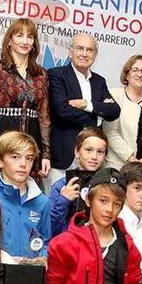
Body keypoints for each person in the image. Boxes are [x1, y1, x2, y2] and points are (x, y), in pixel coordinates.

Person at [0, 18, 51, 185]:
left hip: (30, 154)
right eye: (20, 35)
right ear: (9, 41)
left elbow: (44, 117)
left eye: (30, 37)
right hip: (1, 152)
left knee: (28, 202)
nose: (25, 41)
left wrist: (46, 155)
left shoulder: (41, 74)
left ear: (34, 44)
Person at [46, 33, 120, 189]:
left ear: (95, 54)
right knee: (57, 205)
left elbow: (114, 111)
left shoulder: (99, 81)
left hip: (91, 161)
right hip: (64, 157)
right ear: (70, 51)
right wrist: (96, 118)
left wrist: (87, 105)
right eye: (80, 48)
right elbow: (62, 110)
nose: (85, 54)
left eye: (90, 50)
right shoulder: (56, 75)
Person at [0, 131, 51, 264]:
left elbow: (46, 240)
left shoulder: (42, 201)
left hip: (30, 274)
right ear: (0, 161)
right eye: (15, 157)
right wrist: (4, 259)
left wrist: (42, 257)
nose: (23, 164)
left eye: (29, 158)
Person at [104, 55, 142, 172]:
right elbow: (110, 132)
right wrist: (132, 159)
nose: (140, 74)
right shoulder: (114, 95)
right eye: (135, 70)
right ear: (127, 74)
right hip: (118, 168)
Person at [49, 127, 108, 235]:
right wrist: (63, 200)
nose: (94, 157)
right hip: (68, 246)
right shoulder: (62, 185)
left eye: (100, 152)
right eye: (88, 150)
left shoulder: (108, 186)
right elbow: (48, 228)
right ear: (77, 152)